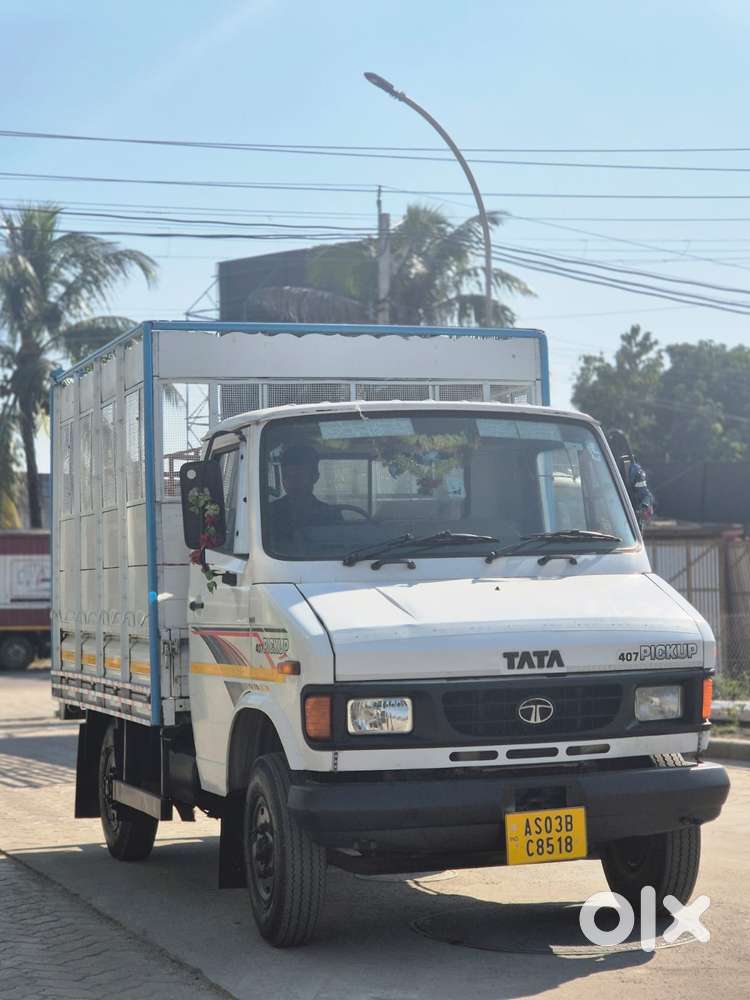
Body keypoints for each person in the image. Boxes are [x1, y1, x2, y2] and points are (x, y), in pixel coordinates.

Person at [267, 444, 342, 549]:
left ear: (315, 476)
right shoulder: (270, 513)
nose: (293, 482)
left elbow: (339, 549)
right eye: (287, 476)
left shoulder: (330, 514)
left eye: (299, 476)